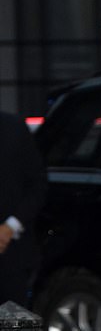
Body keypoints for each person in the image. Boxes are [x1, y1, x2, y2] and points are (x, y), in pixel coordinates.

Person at [0, 112, 46, 306]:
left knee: (13, 326)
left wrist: (10, 227)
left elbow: (38, 185)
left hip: (12, 254)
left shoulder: (13, 128)